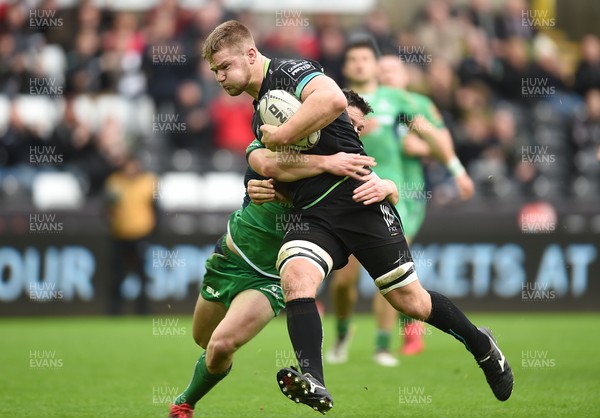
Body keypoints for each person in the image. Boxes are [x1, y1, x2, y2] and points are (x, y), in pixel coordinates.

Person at [202, 20, 513, 414]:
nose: (219, 77)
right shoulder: (257, 112)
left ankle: (482, 345)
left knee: (411, 302)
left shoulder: (290, 72)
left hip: (360, 202)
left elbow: (331, 101)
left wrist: (284, 137)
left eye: (225, 66)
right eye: (215, 71)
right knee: (295, 277)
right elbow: (272, 164)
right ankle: (314, 377)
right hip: (313, 215)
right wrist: (269, 178)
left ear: (250, 54)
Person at [168, 92, 391, 418]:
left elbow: (382, 193)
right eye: (346, 122)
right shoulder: (281, 144)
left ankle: (183, 404)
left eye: (358, 128)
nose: (351, 132)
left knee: (220, 346)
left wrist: (390, 188)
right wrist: (255, 187)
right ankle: (206, 376)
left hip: (272, 277)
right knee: (203, 340)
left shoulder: (351, 167)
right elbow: (259, 167)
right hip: (233, 256)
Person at [327, 39, 476, 367]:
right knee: (344, 280)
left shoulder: (397, 101)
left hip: (392, 197)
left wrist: (456, 170)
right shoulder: (332, 99)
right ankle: (341, 334)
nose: (360, 64)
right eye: (354, 59)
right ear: (347, 66)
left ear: (375, 65)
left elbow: (430, 134)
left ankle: (382, 346)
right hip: (346, 196)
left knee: (390, 274)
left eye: (366, 58)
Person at [104, 156, 157, 315]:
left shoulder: (149, 182)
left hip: (141, 235)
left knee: (142, 276)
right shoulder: (114, 182)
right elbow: (106, 208)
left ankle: (143, 311)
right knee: (117, 276)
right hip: (119, 235)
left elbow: (156, 209)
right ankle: (114, 311)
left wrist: (153, 234)